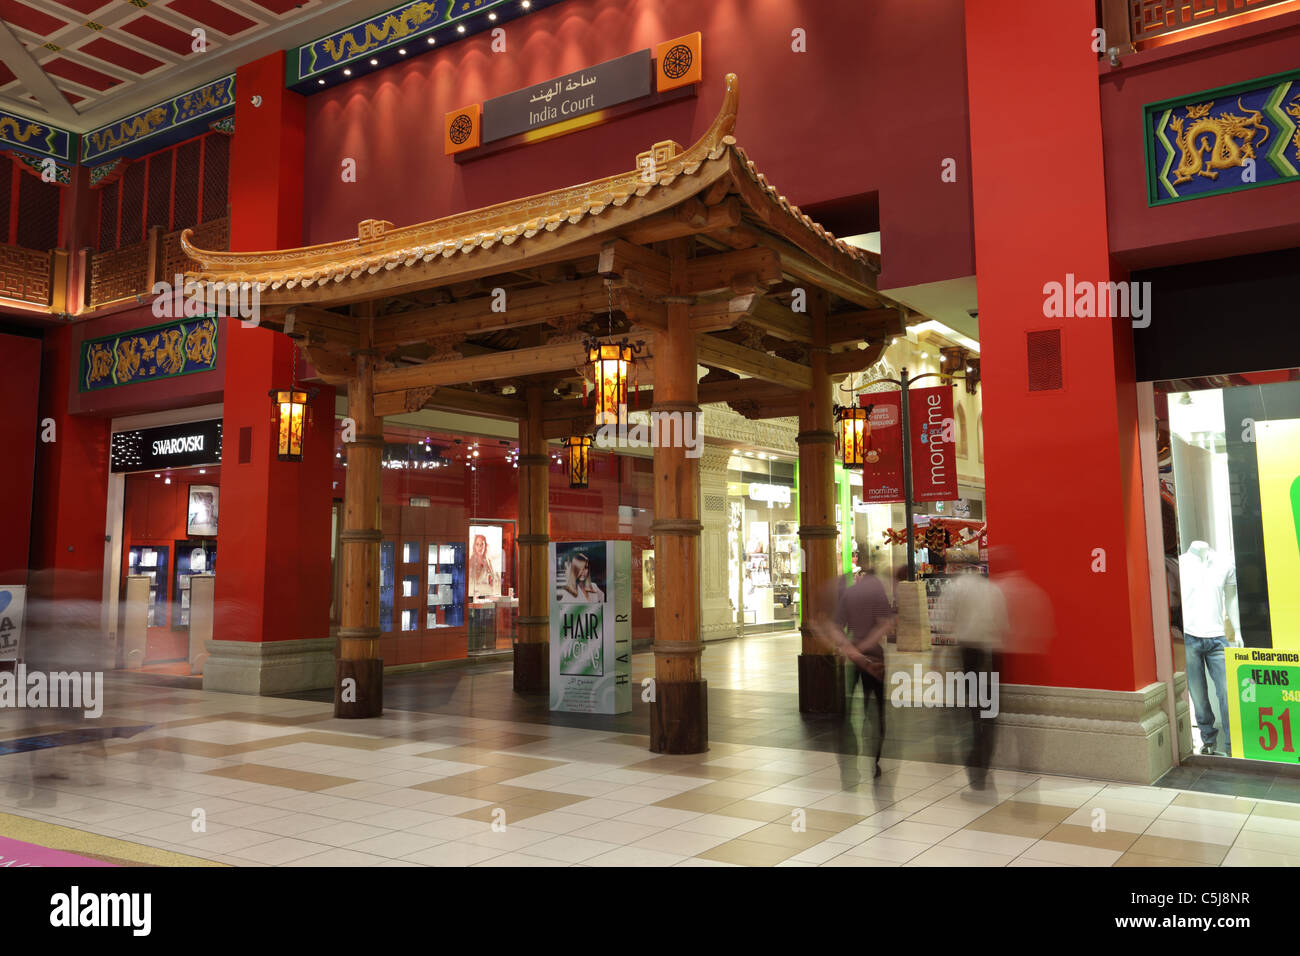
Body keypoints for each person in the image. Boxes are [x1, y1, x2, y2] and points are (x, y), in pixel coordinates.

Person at [820, 569, 895, 780]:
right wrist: (866, 646)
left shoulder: (850, 593)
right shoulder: (878, 591)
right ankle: (875, 761)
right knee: (877, 709)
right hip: (875, 660)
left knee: (848, 706)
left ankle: (848, 759)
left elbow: (835, 627)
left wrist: (850, 648)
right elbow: (886, 624)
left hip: (853, 659)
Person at [941, 568, 1008, 789]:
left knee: (971, 711)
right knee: (988, 712)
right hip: (989, 653)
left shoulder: (954, 588)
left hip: (967, 652)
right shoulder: (993, 590)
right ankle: (981, 763)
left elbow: (943, 622)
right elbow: (1003, 625)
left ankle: (973, 763)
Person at [468, 533, 498, 598]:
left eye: (482, 544)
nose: (480, 547)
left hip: (486, 595)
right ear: (474, 546)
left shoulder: (488, 562)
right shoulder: (470, 561)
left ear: (485, 546)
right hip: (473, 595)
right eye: (477, 544)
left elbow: (494, 580)